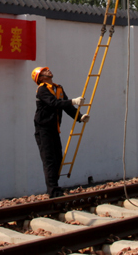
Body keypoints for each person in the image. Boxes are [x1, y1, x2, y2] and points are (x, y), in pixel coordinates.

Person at [32, 66, 88, 197]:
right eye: (44, 71)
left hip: (54, 129)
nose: (48, 71)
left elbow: (67, 107)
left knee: (58, 158)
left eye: (47, 69)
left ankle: (55, 187)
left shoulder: (59, 88)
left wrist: (79, 117)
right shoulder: (42, 90)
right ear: (40, 78)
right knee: (49, 159)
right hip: (43, 129)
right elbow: (54, 103)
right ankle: (53, 191)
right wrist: (73, 100)